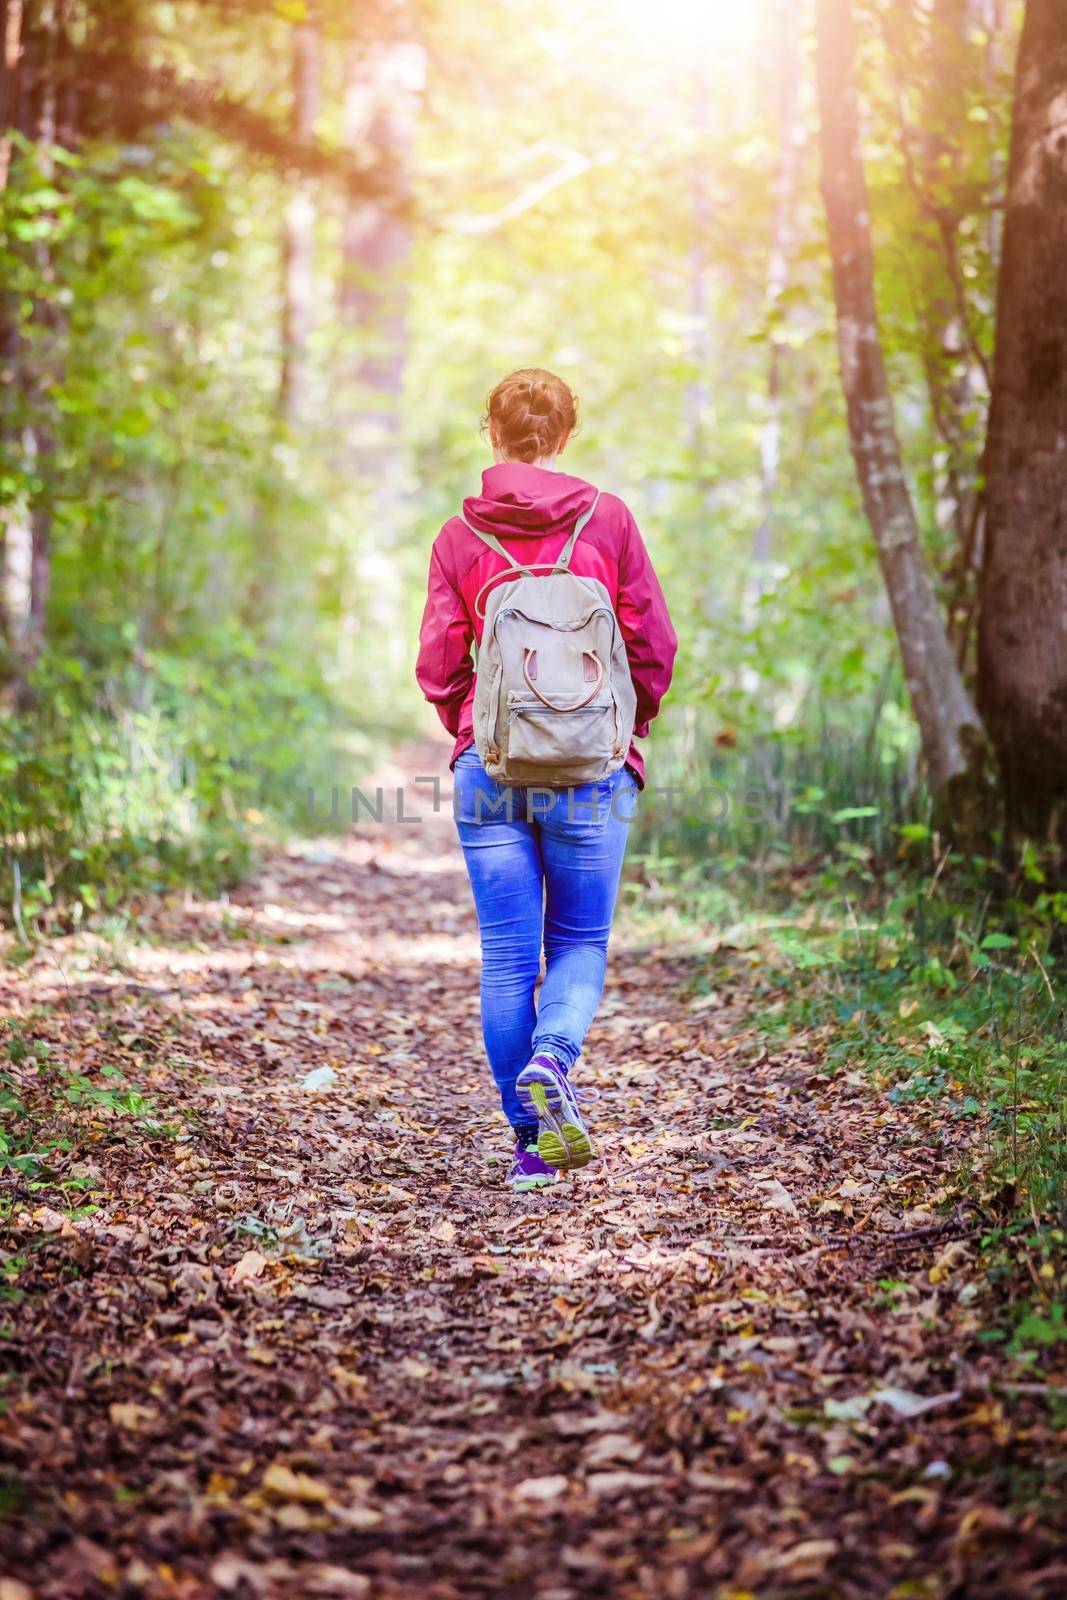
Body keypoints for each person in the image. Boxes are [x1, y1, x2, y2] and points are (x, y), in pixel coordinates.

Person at [415, 368, 676, 1192]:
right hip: (591, 772)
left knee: (504, 959)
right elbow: (652, 646)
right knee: (578, 942)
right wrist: (621, 733)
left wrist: (473, 731)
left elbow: (438, 664)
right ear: (564, 436)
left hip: (489, 769)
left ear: (490, 433)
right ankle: (555, 1059)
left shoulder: (460, 537)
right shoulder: (608, 520)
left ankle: (530, 1147)